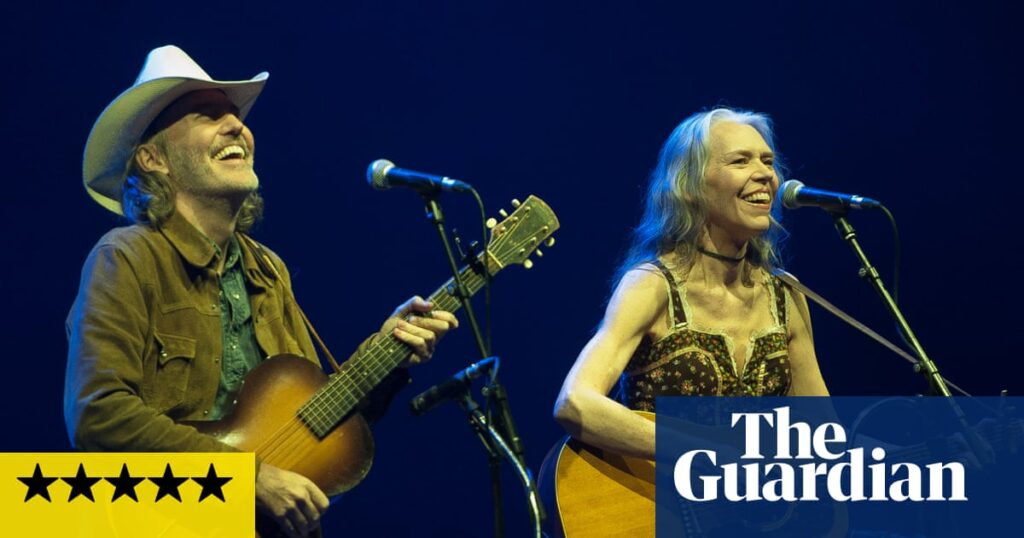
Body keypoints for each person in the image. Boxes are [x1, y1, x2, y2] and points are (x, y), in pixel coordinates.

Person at [64, 45, 458, 538]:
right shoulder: (127, 256)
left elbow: (310, 423)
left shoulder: (268, 269)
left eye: (235, 115)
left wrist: (388, 355)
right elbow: (97, 414)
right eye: (208, 114)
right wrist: (245, 478)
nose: (236, 125)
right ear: (153, 158)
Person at [553, 107, 828, 461]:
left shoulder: (785, 295)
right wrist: (700, 451)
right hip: (658, 493)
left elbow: (821, 435)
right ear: (691, 184)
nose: (765, 174)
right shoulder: (652, 286)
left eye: (767, 161)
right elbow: (575, 403)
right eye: (740, 161)